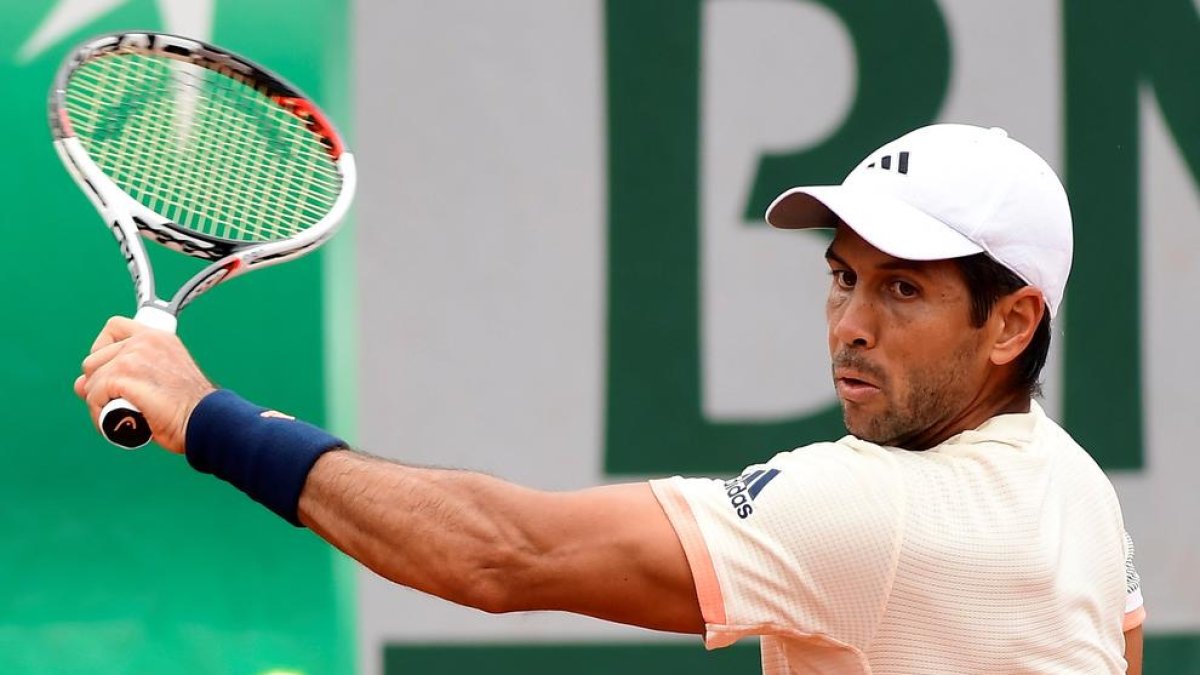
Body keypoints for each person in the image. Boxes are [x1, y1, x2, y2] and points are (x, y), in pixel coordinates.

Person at [75, 124, 1144, 674]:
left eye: (903, 289)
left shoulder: (876, 511)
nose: (851, 323)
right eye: (843, 276)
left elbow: (506, 555)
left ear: (1013, 322)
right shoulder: (1078, 493)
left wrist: (208, 418)